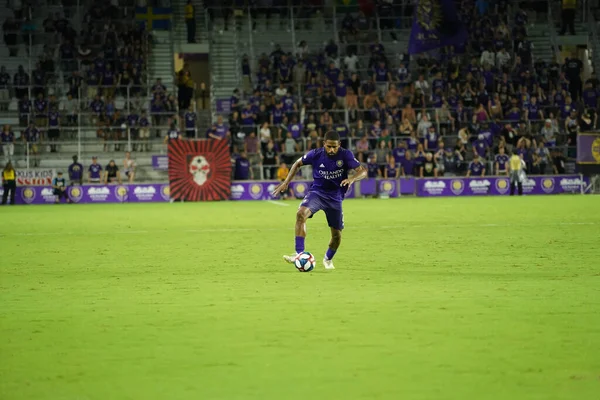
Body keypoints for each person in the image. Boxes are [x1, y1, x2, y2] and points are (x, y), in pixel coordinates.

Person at [272, 130, 367, 270]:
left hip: (335, 198)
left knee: (336, 236)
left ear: (339, 145)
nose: (332, 149)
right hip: (317, 193)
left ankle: (328, 259)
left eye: (334, 146)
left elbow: (363, 171)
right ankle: (299, 255)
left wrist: (352, 179)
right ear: (324, 144)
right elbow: (297, 163)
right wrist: (286, 182)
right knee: (300, 214)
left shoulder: (345, 155)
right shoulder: (315, 154)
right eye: (329, 146)